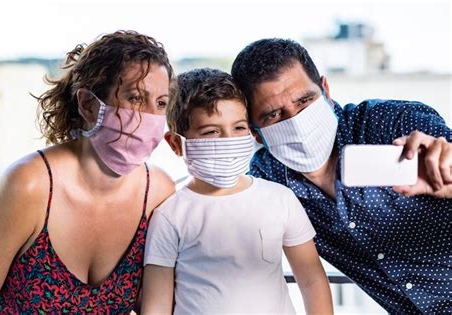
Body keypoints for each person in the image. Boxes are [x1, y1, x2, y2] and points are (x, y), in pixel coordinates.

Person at [231, 38, 452, 314]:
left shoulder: (393, 122)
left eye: (305, 100)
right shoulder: (268, 177)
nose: (296, 120)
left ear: (325, 89)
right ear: (254, 131)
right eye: (273, 115)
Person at [0, 30, 175, 313]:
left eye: (160, 103)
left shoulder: (159, 193)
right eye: (134, 97)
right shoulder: (29, 185)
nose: (150, 117)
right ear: (88, 104)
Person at [141, 68, 333, 314]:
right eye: (211, 131)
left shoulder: (280, 199)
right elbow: (156, 306)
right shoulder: (170, 215)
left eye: (239, 128)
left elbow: (312, 280)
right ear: (176, 143)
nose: (228, 140)